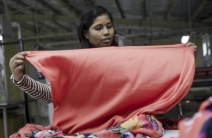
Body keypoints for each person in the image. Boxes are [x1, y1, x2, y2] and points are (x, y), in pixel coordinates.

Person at [9, 5, 197, 104]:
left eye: (109, 26)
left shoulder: (126, 58)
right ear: (86, 33)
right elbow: (51, 95)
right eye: (98, 28)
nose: (106, 32)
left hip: (125, 126)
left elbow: (153, 82)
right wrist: (21, 79)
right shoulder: (76, 63)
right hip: (90, 130)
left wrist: (182, 57)